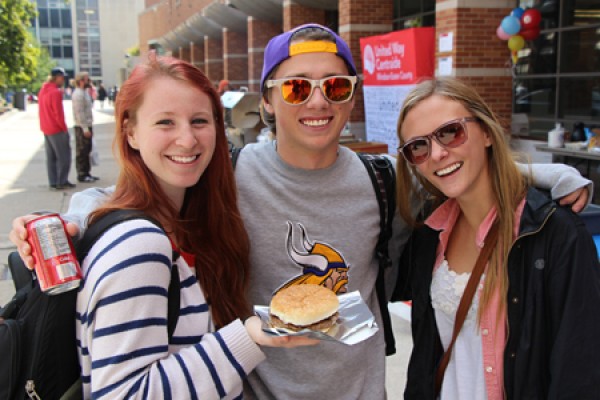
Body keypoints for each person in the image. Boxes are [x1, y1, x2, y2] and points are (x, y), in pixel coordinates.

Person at [10, 24, 592, 399]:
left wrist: (540, 173)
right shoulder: (226, 175)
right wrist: (82, 215)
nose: (318, 102)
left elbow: (458, 176)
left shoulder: (382, 178)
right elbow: (155, 194)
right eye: (295, 89)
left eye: (335, 87)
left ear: (352, 96)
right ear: (265, 100)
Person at [393, 77, 600, 399]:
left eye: (450, 132)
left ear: (487, 132)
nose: (436, 153)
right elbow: (426, 357)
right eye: (417, 146)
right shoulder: (429, 234)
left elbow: (579, 368)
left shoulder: (554, 233)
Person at [37, 67, 75, 190]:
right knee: (64, 156)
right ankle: (61, 181)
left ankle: (53, 181)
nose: (63, 79)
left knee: (51, 157)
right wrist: (64, 129)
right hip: (56, 128)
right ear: (56, 77)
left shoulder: (43, 90)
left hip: (46, 128)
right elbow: (58, 114)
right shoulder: (55, 92)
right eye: (62, 77)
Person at [71, 72, 99, 183]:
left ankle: (87, 172)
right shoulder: (78, 94)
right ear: (81, 81)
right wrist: (85, 128)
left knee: (87, 149)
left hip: (87, 125)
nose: (89, 81)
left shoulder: (84, 93)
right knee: (82, 150)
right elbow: (79, 113)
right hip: (81, 126)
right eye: (87, 79)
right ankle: (82, 174)